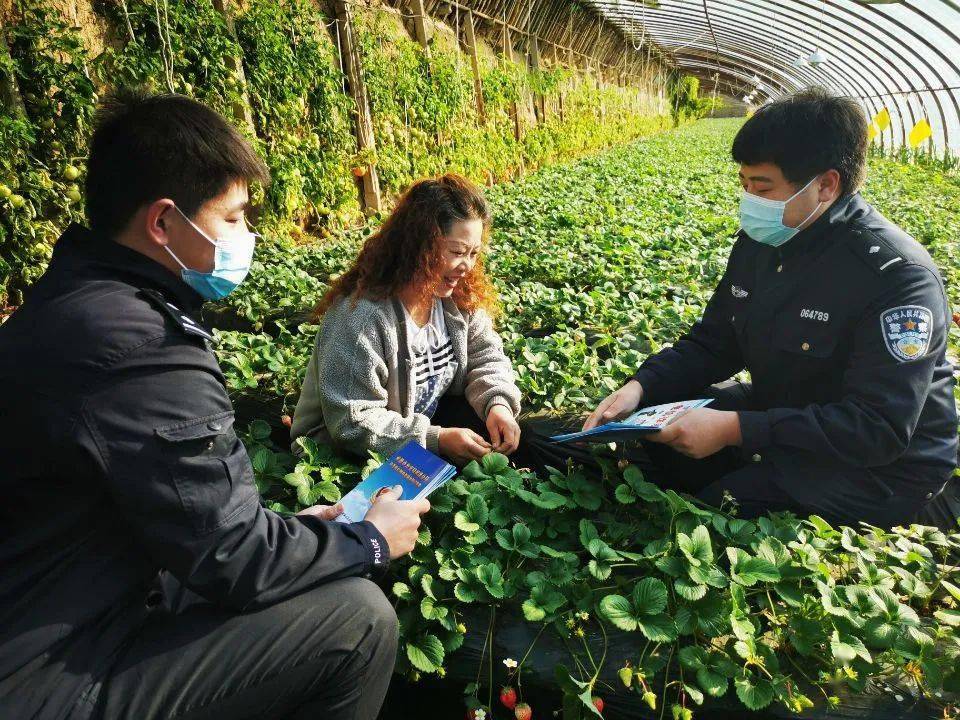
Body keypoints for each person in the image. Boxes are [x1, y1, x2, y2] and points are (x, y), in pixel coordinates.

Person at [0, 89, 429, 720]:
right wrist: (365, 540)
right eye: (233, 218)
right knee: (357, 623)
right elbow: (232, 558)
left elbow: (192, 524)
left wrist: (303, 533)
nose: (246, 237)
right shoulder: (140, 346)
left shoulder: (73, 299)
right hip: (45, 675)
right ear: (163, 222)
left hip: (64, 598)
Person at [584, 88, 958, 529]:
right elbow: (715, 341)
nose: (750, 202)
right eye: (744, 185)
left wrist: (732, 429)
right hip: (788, 405)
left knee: (724, 509)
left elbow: (877, 429)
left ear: (826, 184)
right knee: (656, 422)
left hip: (884, 467)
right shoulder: (764, 242)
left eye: (763, 188)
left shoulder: (896, 278)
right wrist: (641, 387)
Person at [291, 174, 523, 467]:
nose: (467, 266)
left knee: (512, 442)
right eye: (457, 252)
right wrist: (435, 439)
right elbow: (352, 422)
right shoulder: (362, 319)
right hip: (343, 453)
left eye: (474, 253)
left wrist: (498, 404)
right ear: (419, 247)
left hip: (417, 425)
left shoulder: (457, 297)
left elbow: (485, 355)